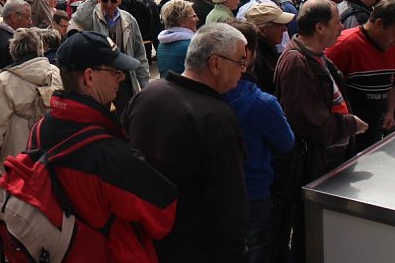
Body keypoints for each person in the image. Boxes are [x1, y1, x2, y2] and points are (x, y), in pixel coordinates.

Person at [22, 30, 178, 261]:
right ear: (89, 77)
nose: (122, 77)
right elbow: (162, 216)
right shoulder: (108, 152)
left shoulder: (40, 128)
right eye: (115, 71)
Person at [124, 23, 249, 262]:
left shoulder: (149, 94)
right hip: (195, 244)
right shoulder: (217, 117)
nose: (243, 70)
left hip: (146, 235)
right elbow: (229, 200)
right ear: (216, 64)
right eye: (240, 61)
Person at [274, 0, 369, 262]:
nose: (341, 27)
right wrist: (350, 124)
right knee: (309, 238)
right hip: (312, 165)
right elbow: (308, 122)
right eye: (336, 22)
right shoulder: (296, 63)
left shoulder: (315, 56)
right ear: (319, 27)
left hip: (325, 160)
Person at [222, 20, 295, 263]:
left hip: (217, 194)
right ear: (248, 54)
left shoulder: (203, 96)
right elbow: (287, 143)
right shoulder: (262, 103)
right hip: (256, 194)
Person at [325, 0, 395, 153]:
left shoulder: (391, 46)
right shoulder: (343, 45)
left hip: (375, 129)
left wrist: (390, 112)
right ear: (378, 24)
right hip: (348, 134)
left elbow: (392, 84)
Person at [0, 28, 62, 175]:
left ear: (13, 50)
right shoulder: (54, 72)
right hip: (50, 135)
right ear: (39, 47)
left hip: (17, 140)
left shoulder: (4, 80)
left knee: (17, 185)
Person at [71, 0, 149, 116]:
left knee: (129, 116)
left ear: (120, 1)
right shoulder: (92, 16)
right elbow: (79, 19)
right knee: (99, 117)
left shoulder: (129, 20)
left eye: (113, 1)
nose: (108, 5)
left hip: (124, 77)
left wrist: (145, 85)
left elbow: (139, 54)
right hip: (99, 79)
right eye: (104, 0)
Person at [244, 4, 294, 95]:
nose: (285, 29)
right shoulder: (255, 58)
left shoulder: (266, 51)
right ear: (262, 30)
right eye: (279, 25)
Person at [156, 0, 198, 78]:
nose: (197, 19)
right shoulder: (191, 46)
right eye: (194, 16)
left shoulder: (162, 44)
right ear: (181, 21)